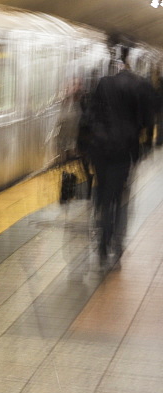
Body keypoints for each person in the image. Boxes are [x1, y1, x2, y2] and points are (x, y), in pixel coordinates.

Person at [81, 44, 156, 269]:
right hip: (125, 150)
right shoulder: (140, 85)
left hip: (101, 149)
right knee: (121, 195)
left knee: (104, 192)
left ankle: (103, 240)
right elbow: (148, 119)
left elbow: (89, 115)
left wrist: (86, 144)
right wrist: (144, 145)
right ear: (131, 60)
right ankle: (117, 240)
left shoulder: (104, 83)